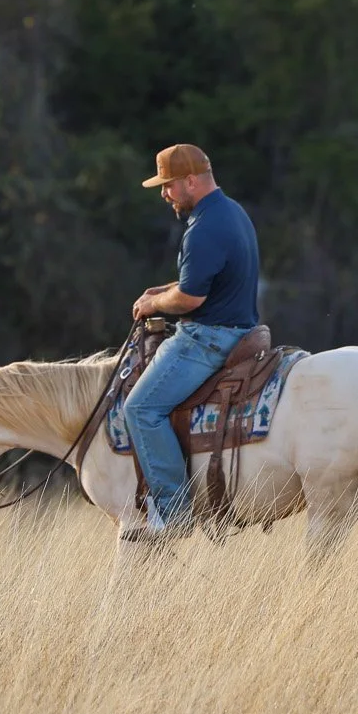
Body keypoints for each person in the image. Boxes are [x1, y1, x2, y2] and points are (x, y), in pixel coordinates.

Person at [121, 143, 262, 544]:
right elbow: (205, 281)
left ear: (190, 181)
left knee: (141, 408)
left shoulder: (203, 228)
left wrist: (154, 303)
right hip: (240, 330)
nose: (164, 194)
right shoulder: (232, 212)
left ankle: (174, 512)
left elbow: (191, 300)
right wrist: (163, 290)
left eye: (167, 185)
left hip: (208, 338)